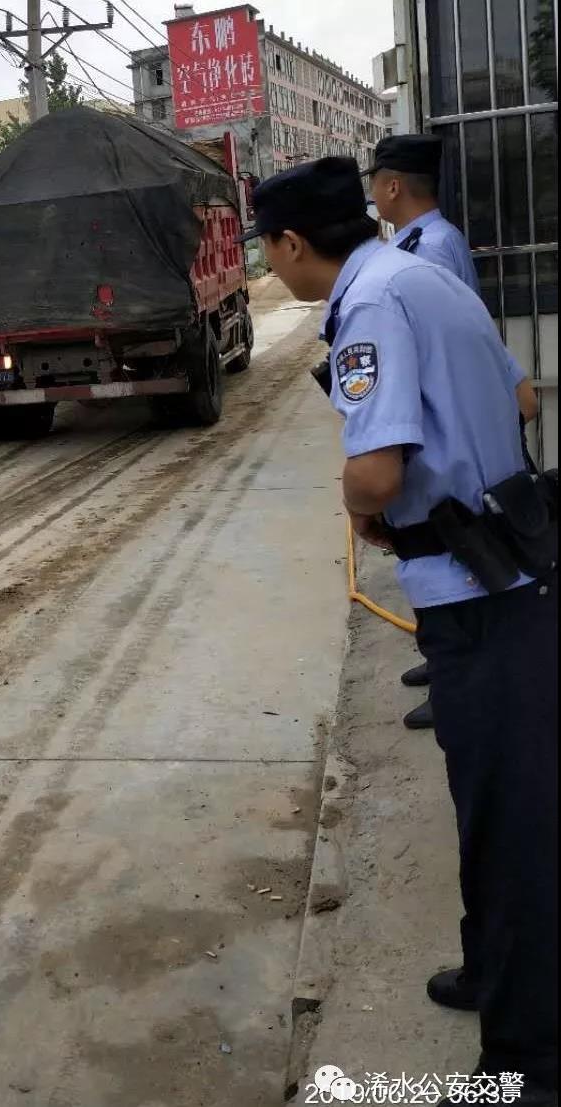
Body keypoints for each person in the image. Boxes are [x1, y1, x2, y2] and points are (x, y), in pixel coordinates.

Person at [239, 156, 558, 1106]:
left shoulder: (371, 307)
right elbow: (524, 398)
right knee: (501, 812)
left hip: (478, 594)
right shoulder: (419, 276)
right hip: (507, 566)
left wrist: (361, 500)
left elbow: (374, 471)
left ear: (293, 245)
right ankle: (492, 977)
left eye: (270, 247)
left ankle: (529, 1067)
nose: (273, 262)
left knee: (511, 831)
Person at [366, 133, 541, 731]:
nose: (372, 193)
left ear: (392, 186)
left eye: (374, 181)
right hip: (459, 409)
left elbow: (446, 345)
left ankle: (455, 681)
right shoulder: (422, 241)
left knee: (459, 545)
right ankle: (442, 662)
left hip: (451, 419)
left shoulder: (429, 250)